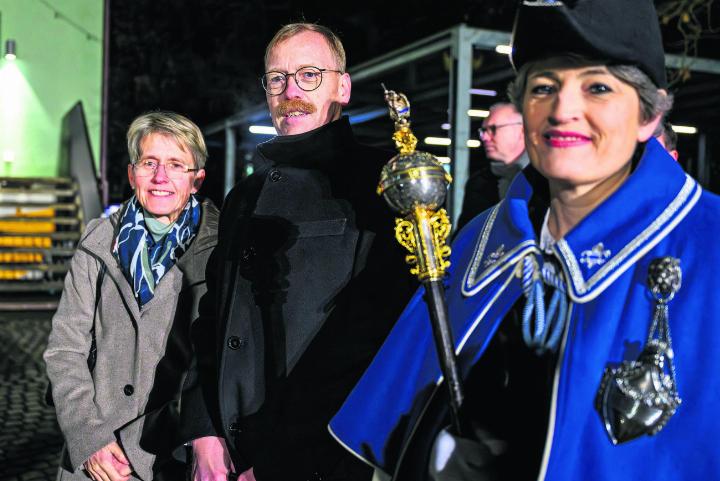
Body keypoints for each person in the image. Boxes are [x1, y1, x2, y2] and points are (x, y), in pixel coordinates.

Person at [330, 1, 720, 480]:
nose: (563, 110)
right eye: (542, 87)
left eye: (597, 87)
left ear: (647, 115)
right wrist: (433, 456)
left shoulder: (711, 245)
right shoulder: (482, 239)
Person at [179, 23, 415, 481]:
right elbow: (212, 318)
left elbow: (376, 336)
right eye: (277, 78)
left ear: (342, 86)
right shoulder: (243, 194)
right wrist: (203, 431)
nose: (291, 91)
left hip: (319, 458)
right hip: (225, 457)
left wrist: (273, 462)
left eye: (309, 75)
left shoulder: (379, 181)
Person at [44, 111, 218, 481]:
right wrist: (88, 438)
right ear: (131, 173)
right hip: (97, 460)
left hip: (172, 456)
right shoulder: (97, 242)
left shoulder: (221, 249)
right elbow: (64, 349)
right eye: (149, 162)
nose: (160, 177)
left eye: (175, 164)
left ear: (197, 179)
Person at [457, 103, 528, 230]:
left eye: (493, 129)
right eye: (483, 131)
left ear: (522, 130)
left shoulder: (547, 178)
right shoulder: (478, 183)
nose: (485, 137)